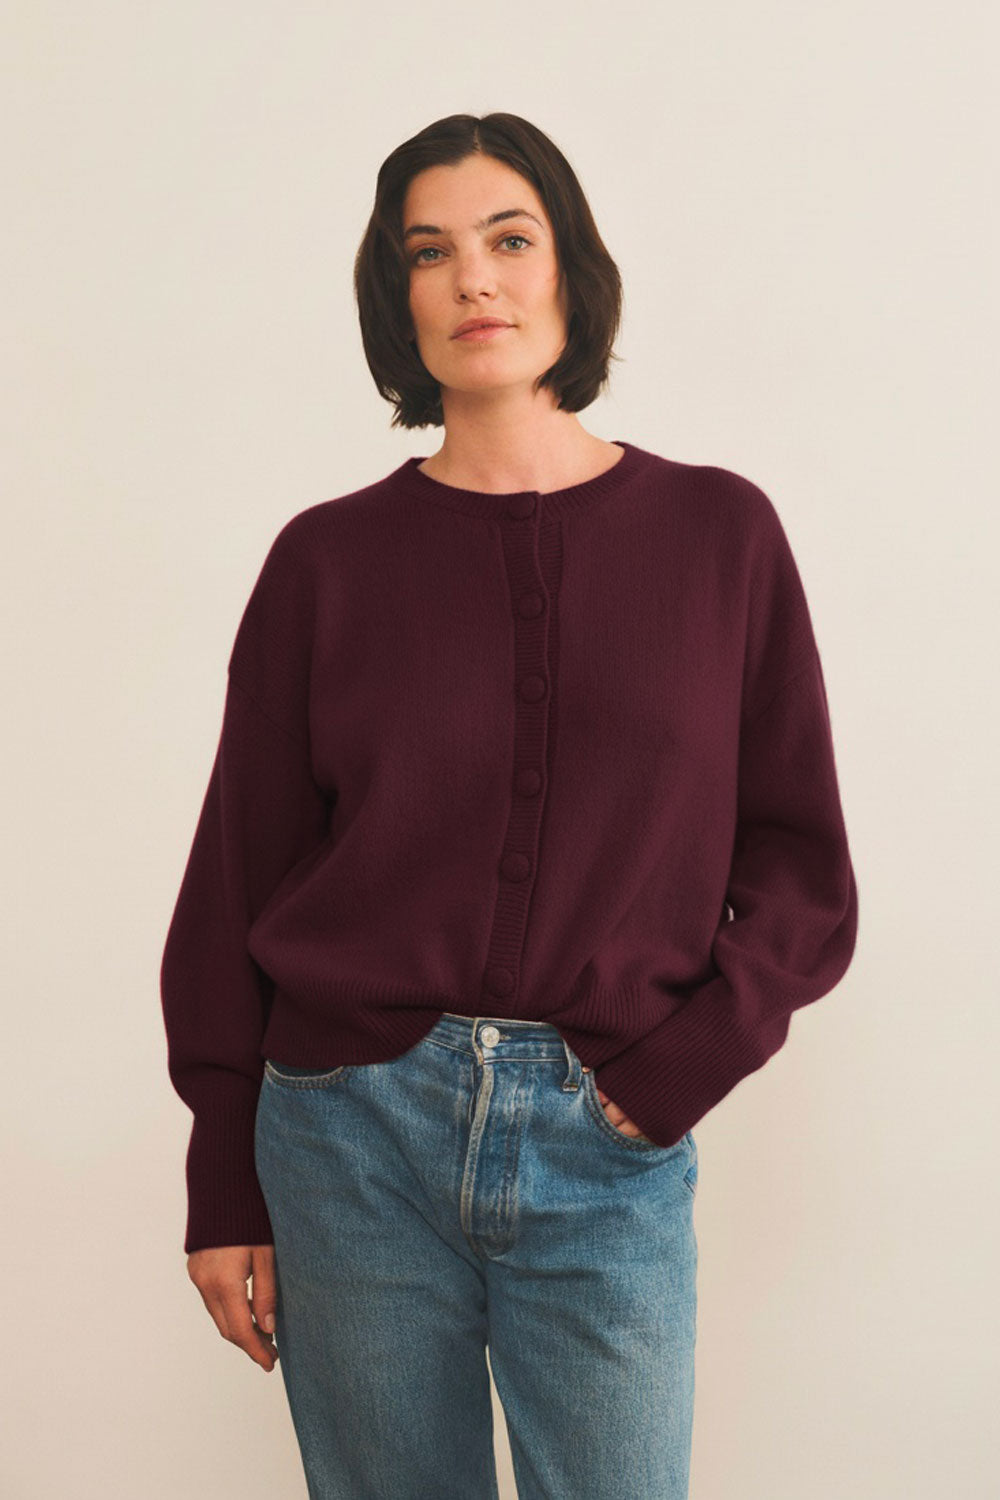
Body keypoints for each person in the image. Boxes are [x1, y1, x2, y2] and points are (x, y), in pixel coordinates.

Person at [160, 112, 859, 1499]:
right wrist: (222, 1174)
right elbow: (237, 877)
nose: (474, 278)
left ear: (569, 269)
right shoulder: (325, 563)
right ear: (397, 297)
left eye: (509, 238)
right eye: (429, 252)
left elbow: (801, 869)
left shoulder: (721, 537)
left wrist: (675, 1072)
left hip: (609, 1133)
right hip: (348, 1135)